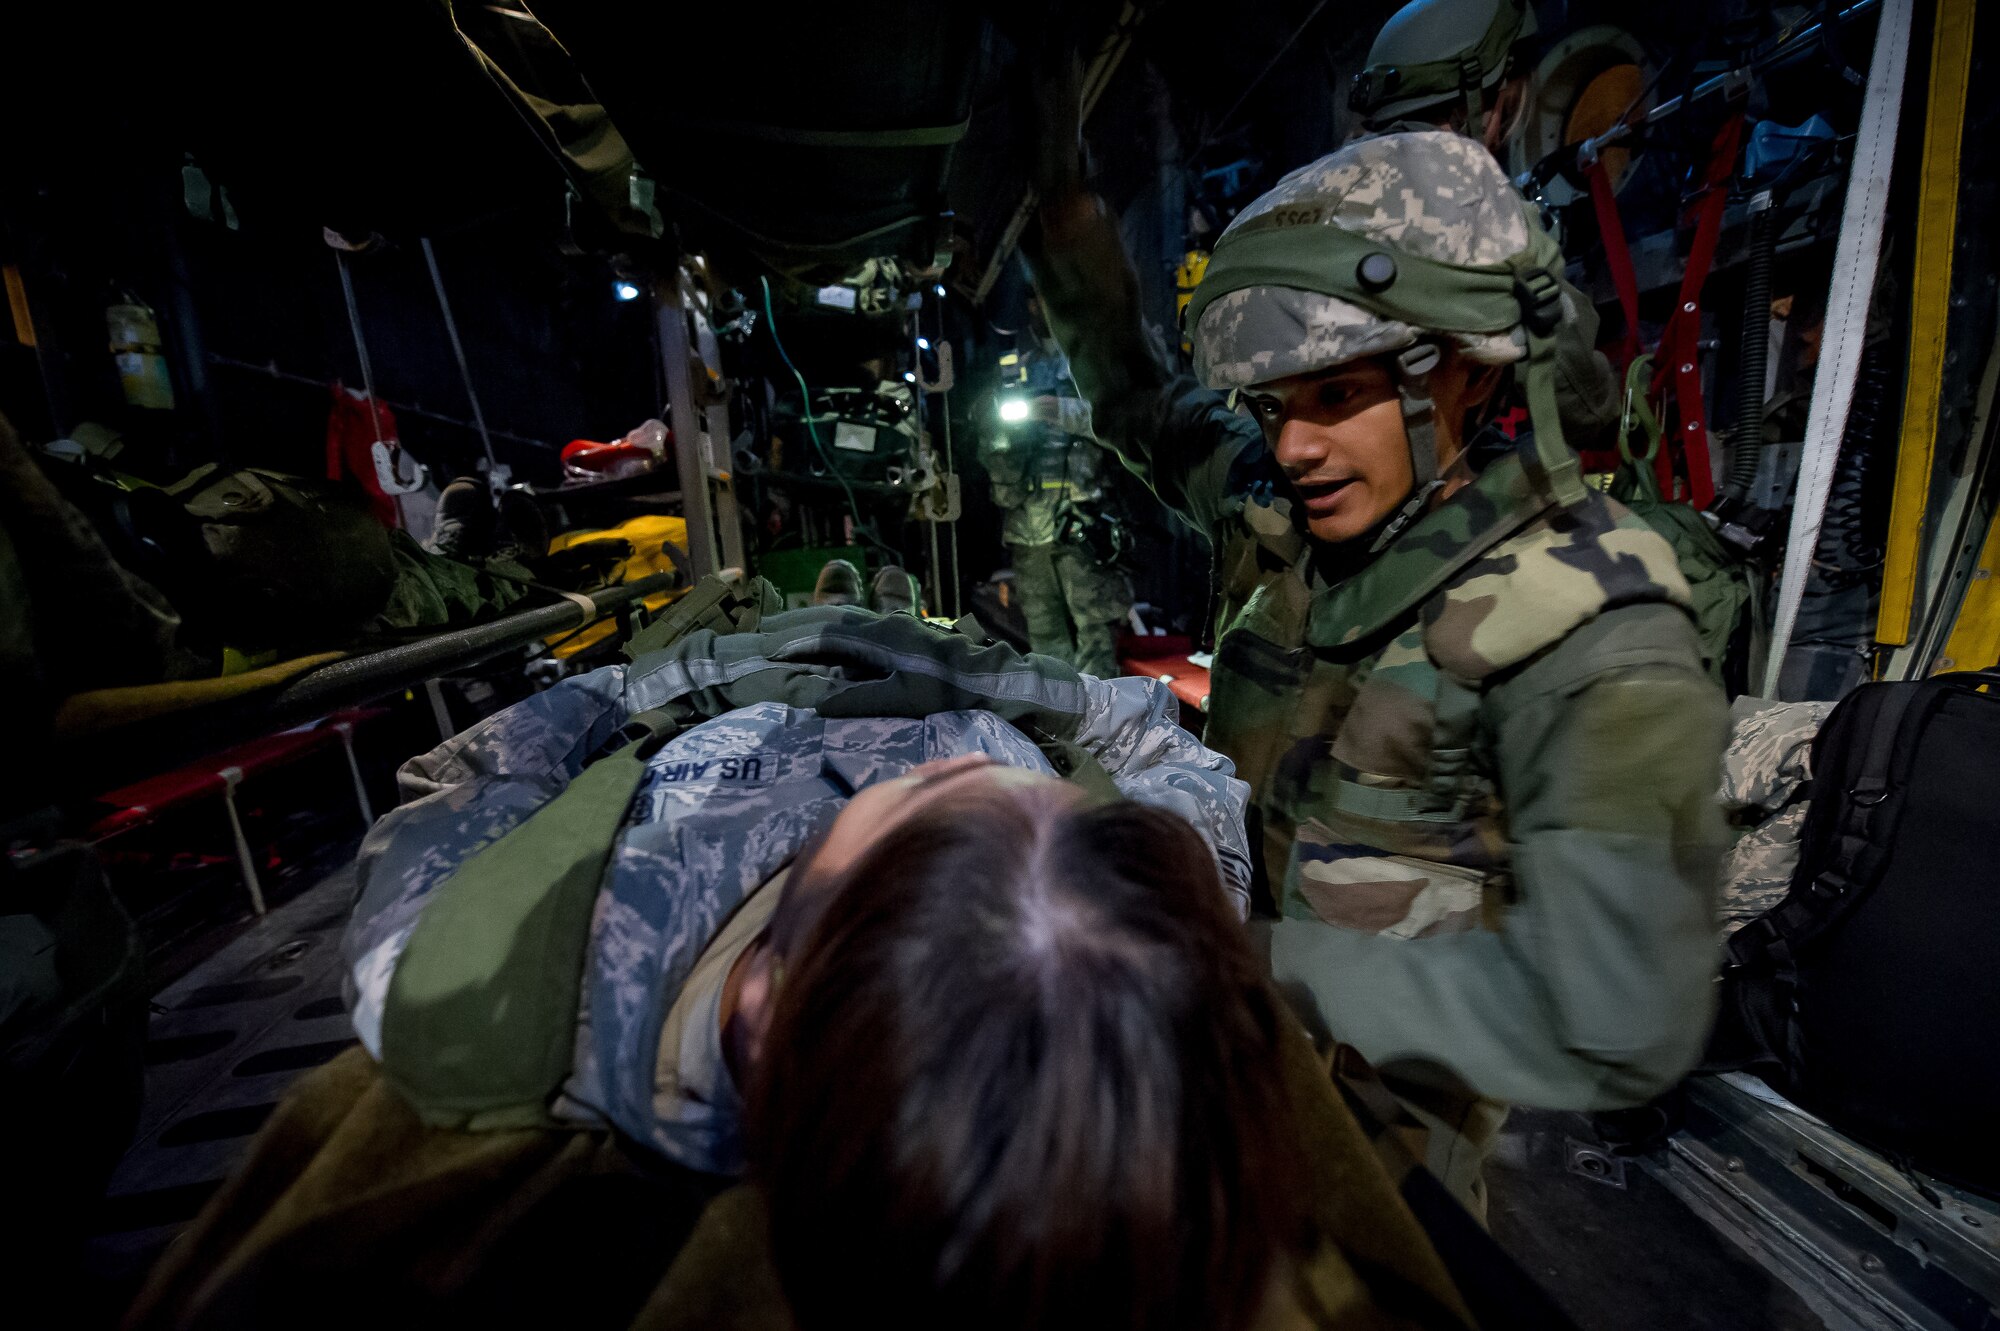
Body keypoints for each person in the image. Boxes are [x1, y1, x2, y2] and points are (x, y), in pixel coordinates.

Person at [127, 595, 1479, 1331]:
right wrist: (1014, 690)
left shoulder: (457, 971)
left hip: (724, 689)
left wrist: (685, 673)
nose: (948, 762)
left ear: (762, 1006)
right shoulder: (1139, 894)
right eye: (1034, 807)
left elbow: (466, 775)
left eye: (912, 828)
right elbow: (1162, 751)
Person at [1025, 125, 1729, 1213]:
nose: (1293, 443)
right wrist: (1062, 224)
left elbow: (1615, 1019)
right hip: (1208, 1085)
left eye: (1333, 394)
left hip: (1380, 1177)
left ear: (1452, 366)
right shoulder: (1291, 511)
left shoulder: (1582, 624)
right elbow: (1139, 405)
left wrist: (1240, 963)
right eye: (1272, 406)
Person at [1347, 0, 1621, 455]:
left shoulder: (1305, 190)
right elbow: (1586, 409)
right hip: (1404, 488)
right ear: (1485, 102)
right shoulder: (1481, 212)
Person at [979, 292, 1134, 676]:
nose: (1041, 309)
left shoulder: (1093, 364)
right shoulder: (1018, 367)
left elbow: (1123, 421)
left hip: (1081, 522)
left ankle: (1100, 729)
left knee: (1095, 638)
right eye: (1034, 301)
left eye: (1048, 299)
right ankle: (1060, 725)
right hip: (1028, 528)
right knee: (1046, 646)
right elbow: (992, 439)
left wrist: (1058, 410)